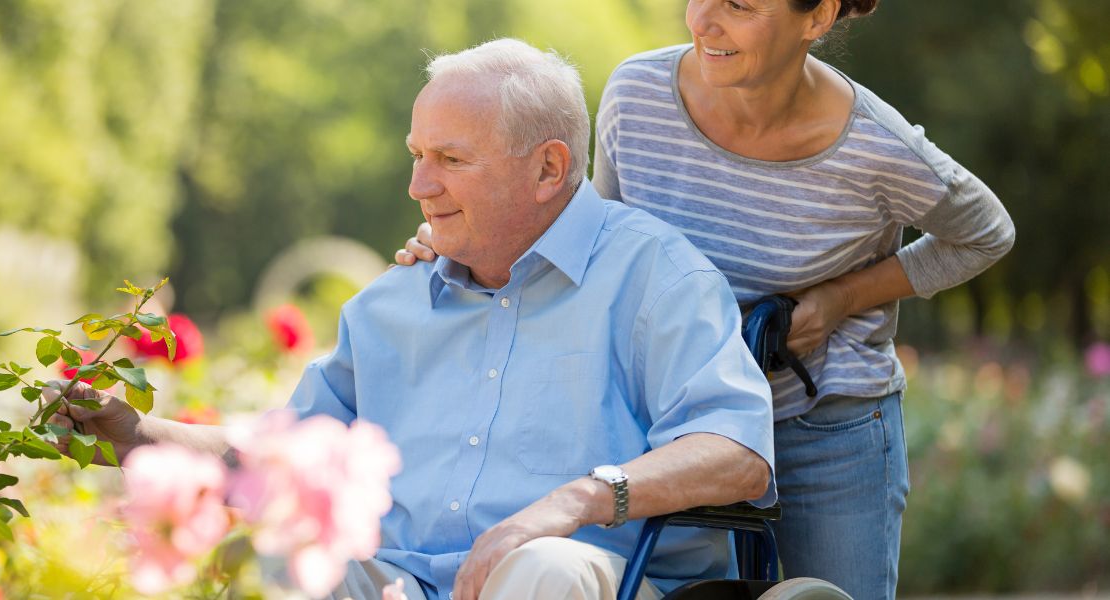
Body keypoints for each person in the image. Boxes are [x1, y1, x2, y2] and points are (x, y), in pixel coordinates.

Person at [52, 39, 776, 600]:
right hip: (401, 582)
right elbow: (283, 453)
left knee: (542, 568)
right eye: (417, 156)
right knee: (265, 562)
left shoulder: (655, 277)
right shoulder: (389, 305)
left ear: (549, 169)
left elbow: (736, 450)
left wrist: (576, 501)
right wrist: (139, 433)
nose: (418, 185)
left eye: (450, 159)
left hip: (591, 581)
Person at [396, 2, 1016, 598]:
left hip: (819, 413)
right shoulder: (638, 95)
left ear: (819, 15)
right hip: (671, 421)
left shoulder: (875, 146)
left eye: (739, 5)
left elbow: (985, 234)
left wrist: (841, 298)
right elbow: (596, 242)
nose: (702, 20)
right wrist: (463, 238)